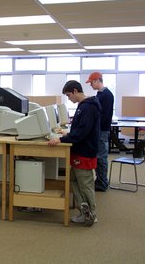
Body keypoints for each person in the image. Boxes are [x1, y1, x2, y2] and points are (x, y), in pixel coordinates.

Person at [48, 80, 101, 227]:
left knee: (85, 184)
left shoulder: (88, 108)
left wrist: (61, 139)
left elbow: (82, 132)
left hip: (85, 152)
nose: (69, 98)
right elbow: (80, 129)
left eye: (69, 95)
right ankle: (84, 212)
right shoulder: (83, 107)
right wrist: (67, 133)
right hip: (80, 151)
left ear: (76, 91)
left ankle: (91, 215)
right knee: (75, 181)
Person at [86, 72, 114, 192]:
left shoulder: (106, 95)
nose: (90, 85)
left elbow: (102, 116)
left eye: (91, 82)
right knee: (99, 156)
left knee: (101, 157)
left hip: (101, 131)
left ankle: (102, 183)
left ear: (97, 80)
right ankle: (100, 180)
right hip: (99, 130)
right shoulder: (100, 94)